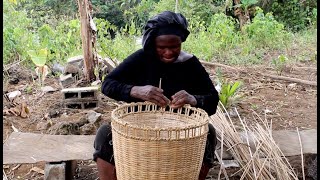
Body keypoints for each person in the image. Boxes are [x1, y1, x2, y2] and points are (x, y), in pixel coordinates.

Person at [94, 11, 219, 180]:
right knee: (105, 133)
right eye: (161, 47)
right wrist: (135, 90)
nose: (168, 53)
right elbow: (107, 84)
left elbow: (213, 100)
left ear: (181, 42)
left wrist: (193, 99)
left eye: (174, 46)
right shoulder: (141, 59)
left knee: (208, 132)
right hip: (140, 130)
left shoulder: (190, 64)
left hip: (182, 133)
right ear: (153, 44)